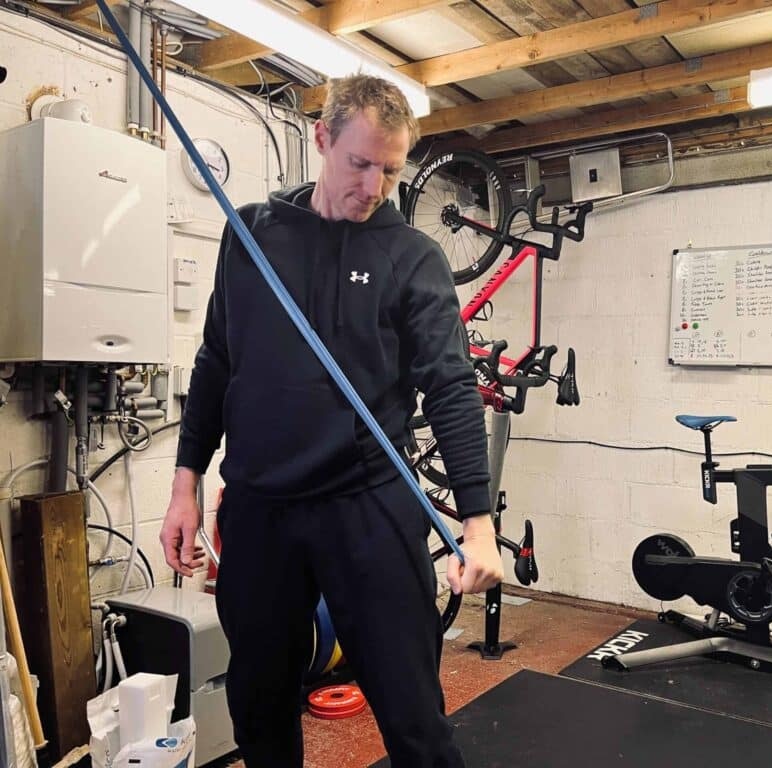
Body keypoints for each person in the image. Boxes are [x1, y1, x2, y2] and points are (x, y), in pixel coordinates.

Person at [159, 73, 503, 768]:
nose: (374, 186)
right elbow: (216, 362)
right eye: (359, 163)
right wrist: (184, 484)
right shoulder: (251, 234)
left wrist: (479, 522)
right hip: (260, 508)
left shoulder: (412, 256)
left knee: (413, 716)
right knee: (259, 707)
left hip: (368, 505)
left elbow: (448, 384)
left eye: (391, 170)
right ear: (322, 139)